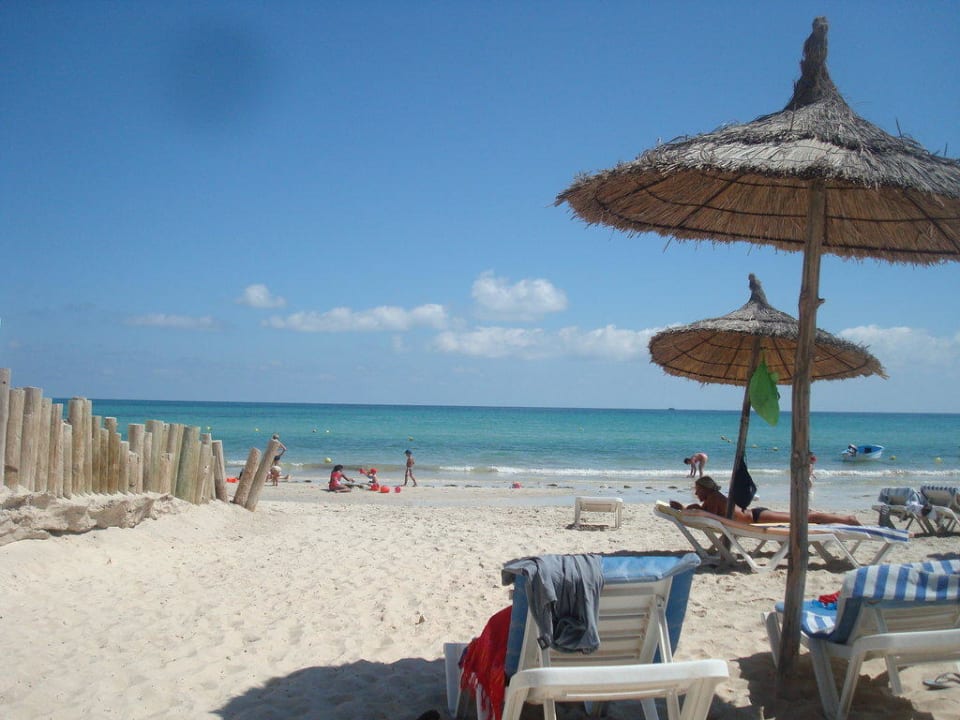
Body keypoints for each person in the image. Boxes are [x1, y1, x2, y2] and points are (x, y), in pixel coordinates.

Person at [669, 475, 861, 526]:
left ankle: (847, 520)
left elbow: (701, 512)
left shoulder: (714, 499)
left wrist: (685, 509)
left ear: (705, 489)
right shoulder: (712, 499)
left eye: (697, 490)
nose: (696, 493)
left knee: (806, 518)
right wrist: (685, 507)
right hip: (754, 516)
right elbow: (701, 511)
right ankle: (841, 518)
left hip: (757, 517)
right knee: (803, 517)